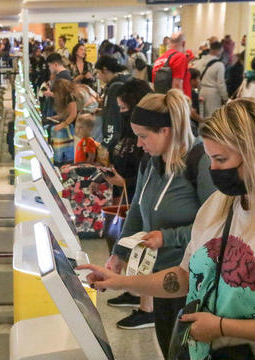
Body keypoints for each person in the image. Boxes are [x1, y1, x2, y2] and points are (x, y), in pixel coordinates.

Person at [79, 98, 255, 360]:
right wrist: (120, 282)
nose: (212, 169)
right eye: (210, 158)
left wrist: (221, 327)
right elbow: (185, 277)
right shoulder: (220, 204)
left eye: (220, 159)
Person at [102, 89, 216, 355]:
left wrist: (168, 237)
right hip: (159, 280)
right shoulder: (150, 162)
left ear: (166, 130)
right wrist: (119, 253)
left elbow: (214, 229)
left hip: (193, 282)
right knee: (168, 348)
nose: (139, 144)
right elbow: (137, 211)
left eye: (143, 136)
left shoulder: (200, 162)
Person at [104, 79, 151, 201]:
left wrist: (125, 182)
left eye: (123, 108)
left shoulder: (150, 135)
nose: (120, 112)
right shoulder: (126, 129)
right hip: (126, 199)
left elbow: (150, 176)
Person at [96, 55, 131, 149]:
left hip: (116, 142)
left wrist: (106, 145)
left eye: (98, 73)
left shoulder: (115, 88)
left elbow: (113, 117)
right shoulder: (123, 82)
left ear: (105, 70)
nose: (98, 77)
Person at [194, 41, 228, 118]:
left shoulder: (200, 61)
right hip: (213, 94)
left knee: (201, 115)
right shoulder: (219, 65)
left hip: (201, 90)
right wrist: (225, 98)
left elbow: (197, 78)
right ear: (218, 50)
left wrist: (199, 89)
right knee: (212, 117)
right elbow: (221, 83)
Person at [152, 32, 191, 97]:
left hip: (161, 99)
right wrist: (184, 105)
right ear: (183, 43)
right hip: (174, 103)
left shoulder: (160, 59)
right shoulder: (180, 57)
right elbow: (177, 86)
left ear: (169, 42)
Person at [189, 68, 203, 133]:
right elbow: (192, 113)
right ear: (192, 80)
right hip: (192, 125)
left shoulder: (187, 92)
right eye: (198, 79)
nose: (199, 81)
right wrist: (202, 120)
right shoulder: (193, 93)